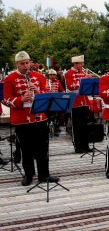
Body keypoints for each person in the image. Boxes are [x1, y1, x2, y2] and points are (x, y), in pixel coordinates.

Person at [3, 51, 59, 186]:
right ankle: (29, 174)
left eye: (27, 63)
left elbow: (47, 94)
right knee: (26, 149)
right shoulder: (10, 79)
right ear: (16, 64)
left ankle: (44, 174)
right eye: (22, 64)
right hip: (22, 118)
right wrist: (21, 99)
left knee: (42, 148)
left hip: (39, 117)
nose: (26, 66)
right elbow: (6, 99)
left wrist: (38, 92)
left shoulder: (39, 77)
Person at [65, 55, 93, 153]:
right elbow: (71, 86)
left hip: (84, 100)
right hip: (75, 101)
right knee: (77, 126)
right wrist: (83, 81)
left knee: (85, 125)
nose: (83, 65)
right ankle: (78, 146)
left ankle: (85, 145)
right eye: (81, 63)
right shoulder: (68, 73)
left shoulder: (82, 72)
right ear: (75, 64)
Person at [46, 69, 65, 136]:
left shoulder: (58, 82)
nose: (52, 76)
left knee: (57, 115)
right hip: (48, 100)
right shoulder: (46, 82)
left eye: (54, 75)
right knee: (48, 115)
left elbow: (62, 90)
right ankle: (47, 127)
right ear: (48, 76)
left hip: (56, 100)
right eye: (50, 75)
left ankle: (56, 127)